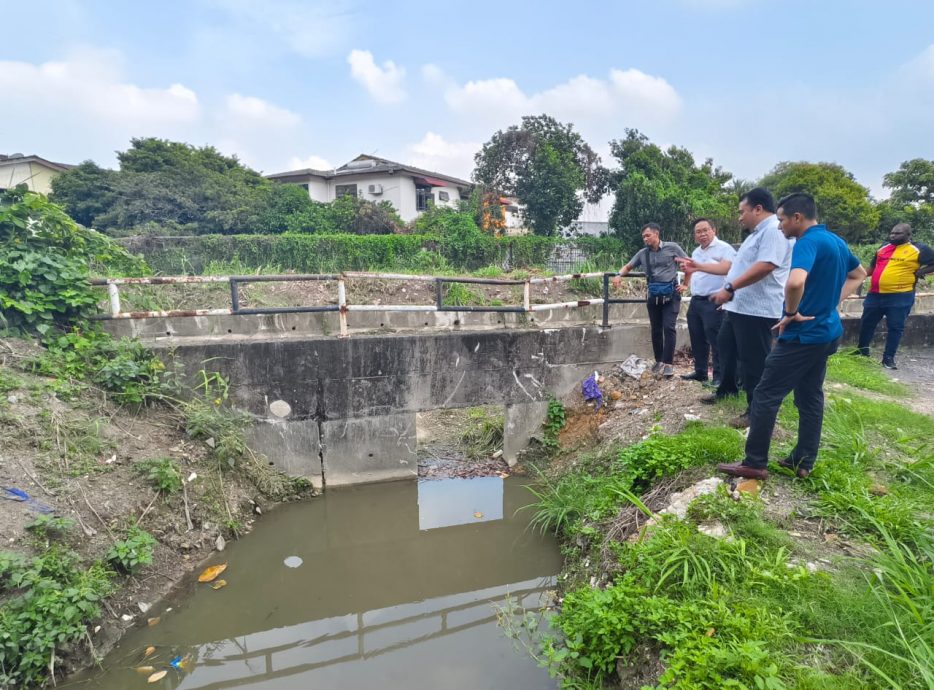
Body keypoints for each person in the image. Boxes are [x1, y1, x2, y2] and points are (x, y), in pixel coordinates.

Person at [718, 193, 866, 479]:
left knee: (765, 393)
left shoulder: (807, 242)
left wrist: (790, 312)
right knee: (810, 396)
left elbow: (795, 281)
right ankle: (803, 461)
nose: (780, 225)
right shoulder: (836, 241)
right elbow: (859, 274)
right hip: (827, 332)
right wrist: (831, 303)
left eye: (783, 219)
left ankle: (754, 462)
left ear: (798, 218)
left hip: (804, 335)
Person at [703, 187, 793, 428]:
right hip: (739, 307)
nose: (740, 217)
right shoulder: (756, 234)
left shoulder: (774, 231)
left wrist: (730, 288)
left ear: (758, 209)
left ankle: (756, 411)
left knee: (754, 362)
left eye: (742, 212)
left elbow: (766, 266)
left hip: (758, 310)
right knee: (726, 347)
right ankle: (727, 390)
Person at [856, 223, 934, 369]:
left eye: (897, 233)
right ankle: (862, 352)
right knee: (867, 323)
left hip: (900, 296)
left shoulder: (919, 249)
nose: (893, 236)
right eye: (892, 233)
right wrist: (858, 277)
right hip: (875, 294)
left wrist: (919, 272)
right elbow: (873, 267)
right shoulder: (883, 247)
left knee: (895, 327)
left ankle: (888, 358)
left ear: (908, 235)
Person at [613, 223, 687, 377]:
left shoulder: (672, 248)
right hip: (653, 295)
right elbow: (628, 266)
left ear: (656, 234)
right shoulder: (642, 253)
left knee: (669, 327)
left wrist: (686, 284)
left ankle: (668, 364)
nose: (645, 239)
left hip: (671, 294)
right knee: (656, 329)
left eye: (648, 235)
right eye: (643, 237)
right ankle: (659, 360)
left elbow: (688, 264)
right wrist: (618, 275)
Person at [676, 218, 737, 386]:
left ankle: (719, 377)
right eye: (698, 232)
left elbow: (729, 269)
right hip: (697, 300)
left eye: (705, 230)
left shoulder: (724, 249)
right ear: (694, 235)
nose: (702, 234)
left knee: (717, 340)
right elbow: (692, 270)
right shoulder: (696, 252)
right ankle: (701, 371)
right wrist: (686, 282)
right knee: (697, 337)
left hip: (714, 300)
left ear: (713, 230)